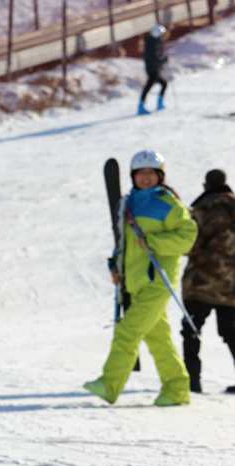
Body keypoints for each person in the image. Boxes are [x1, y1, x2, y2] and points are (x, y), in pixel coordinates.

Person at [85, 150, 197, 406]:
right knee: (159, 339)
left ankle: (109, 384)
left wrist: (154, 242)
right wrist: (116, 265)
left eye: (151, 173)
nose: (146, 178)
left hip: (157, 282)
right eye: (140, 174)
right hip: (135, 281)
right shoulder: (129, 203)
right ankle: (177, 388)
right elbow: (125, 242)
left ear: (160, 176)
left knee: (127, 331)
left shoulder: (169, 204)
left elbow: (188, 236)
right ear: (133, 176)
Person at [181, 169, 235, 394]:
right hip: (232, 285)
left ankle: (192, 382)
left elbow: (188, 243)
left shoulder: (201, 210)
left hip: (201, 282)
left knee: (192, 330)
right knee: (232, 333)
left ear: (206, 185)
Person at [138, 24, 169, 116]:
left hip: (154, 68)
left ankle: (159, 103)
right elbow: (154, 57)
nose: (163, 36)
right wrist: (163, 60)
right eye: (161, 34)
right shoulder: (151, 44)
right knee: (149, 86)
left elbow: (157, 55)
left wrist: (162, 59)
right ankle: (141, 106)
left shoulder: (155, 42)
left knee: (163, 83)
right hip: (152, 69)